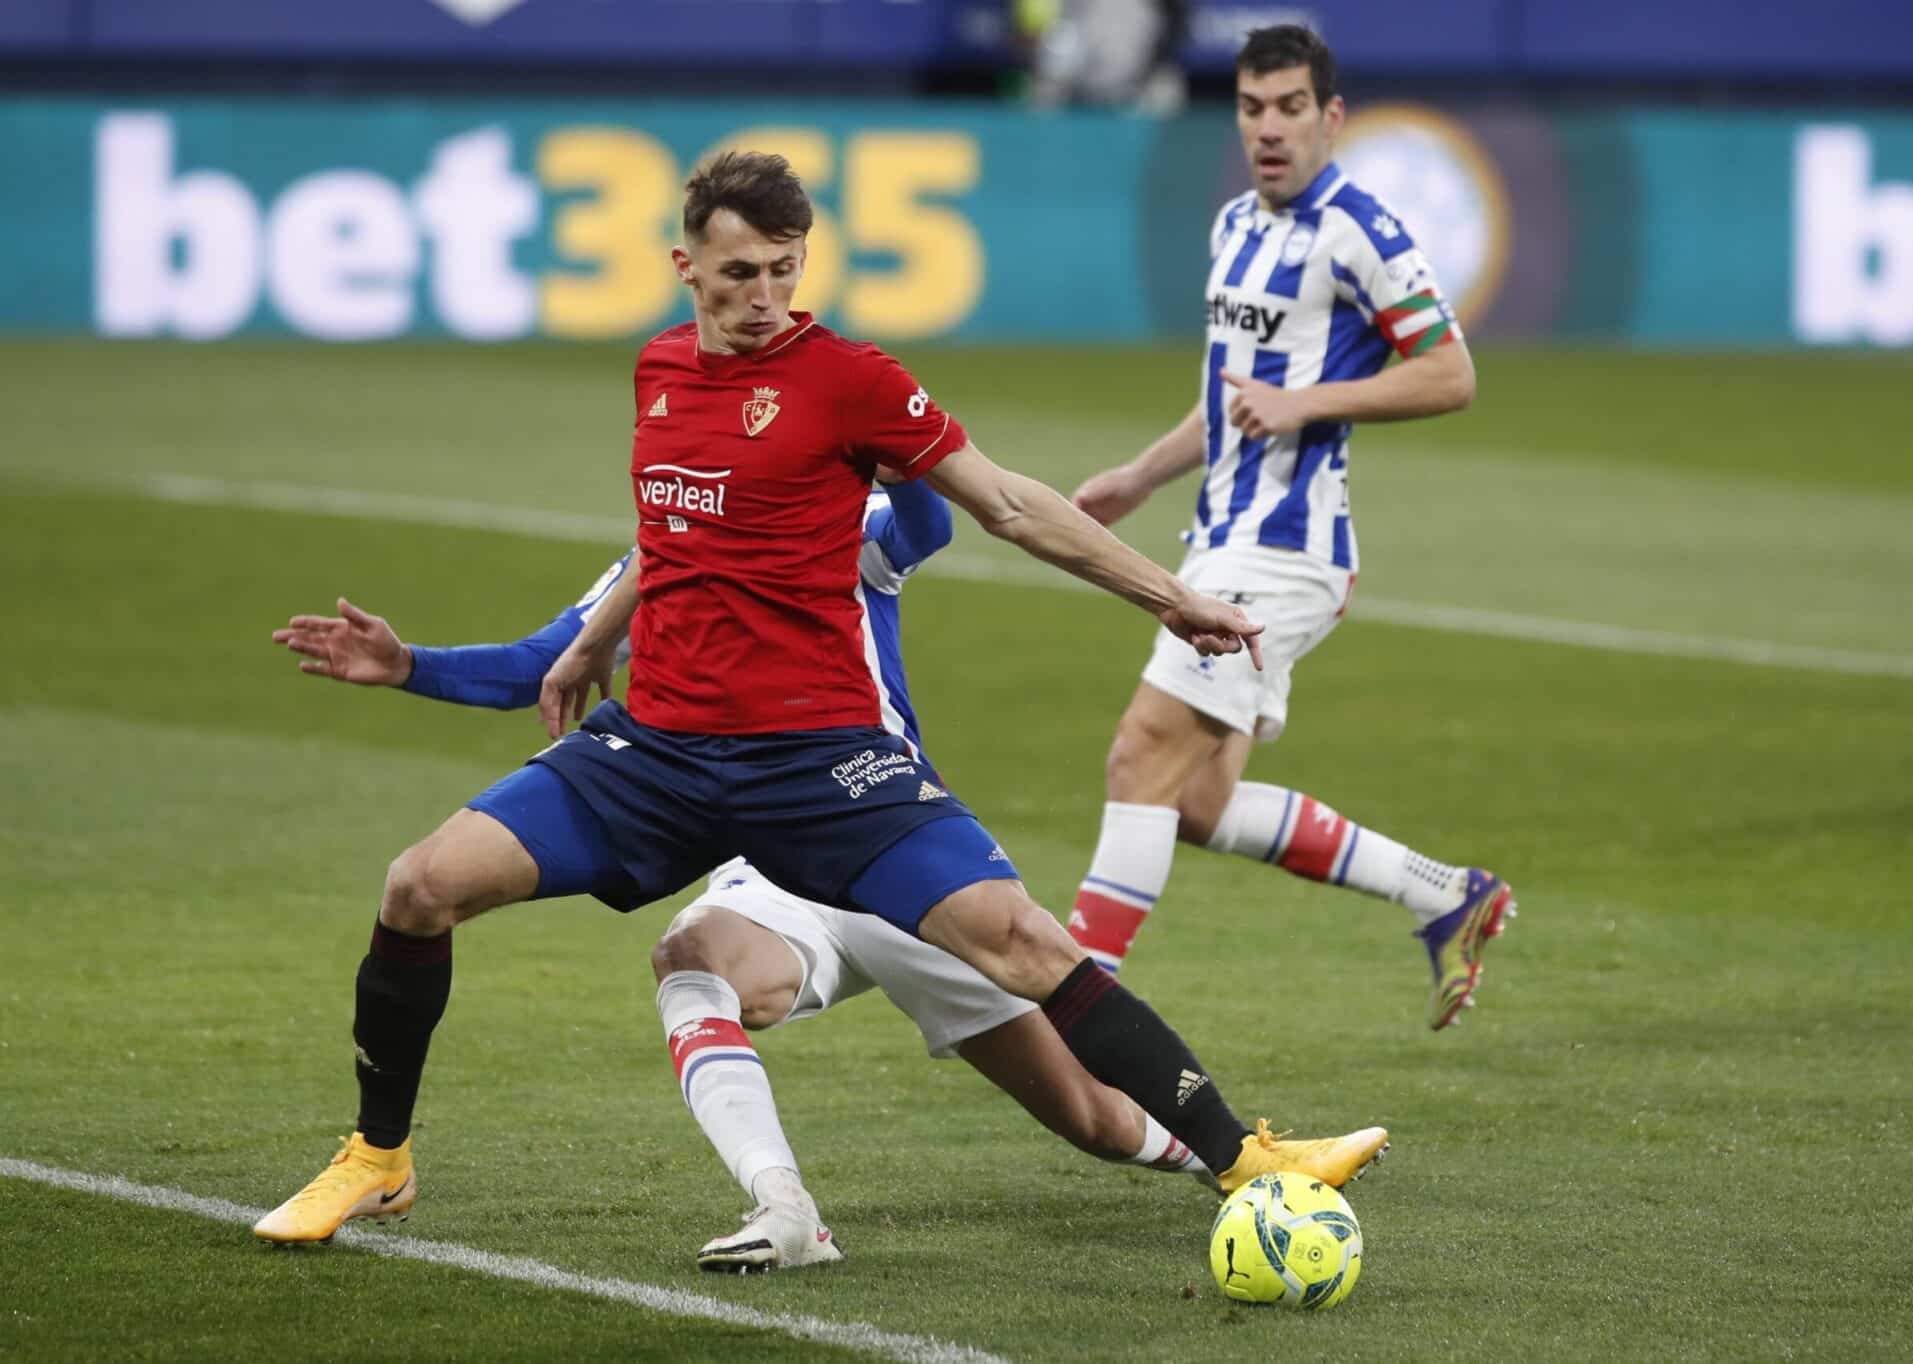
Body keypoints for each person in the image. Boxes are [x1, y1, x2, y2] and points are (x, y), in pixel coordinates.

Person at [253, 149, 1386, 1257]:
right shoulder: (657, 373)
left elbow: (1002, 502)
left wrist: (1170, 595)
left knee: (1021, 938)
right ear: (683, 265)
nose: (764, 297)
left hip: (822, 760)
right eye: (739, 272)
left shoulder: (847, 376)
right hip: (656, 754)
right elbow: (667, 527)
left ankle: (1245, 1157)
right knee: (418, 885)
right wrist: (589, 644)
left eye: (784, 269)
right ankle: (379, 1156)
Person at [270, 486, 1215, 1274]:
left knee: (1090, 1116)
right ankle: (785, 1206)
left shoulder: (853, 514)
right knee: (691, 962)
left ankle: (1235, 1158)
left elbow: (927, 526)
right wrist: (408, 667)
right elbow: (544, 665)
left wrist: (901, 453)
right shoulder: (664, 545)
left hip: (885, 842)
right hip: (765, 866)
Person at [1064, 24, 1515, 1029]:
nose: (1269, 128)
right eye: (1252, 108)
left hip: (1286, 551)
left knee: (1139, 752)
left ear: (1330, 117)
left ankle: (1073, 1001)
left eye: (1290, 108)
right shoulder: (1233, 225)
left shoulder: (1361, 229)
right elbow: (1231, 398)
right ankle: (1444, 891)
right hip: (1219, 535)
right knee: (1193, 802)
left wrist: (1310, 401)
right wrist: (1140, 473)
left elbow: (1452, 374)